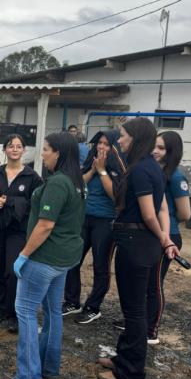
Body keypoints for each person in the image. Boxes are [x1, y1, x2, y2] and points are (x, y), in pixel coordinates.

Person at [96, 117, 179, 379]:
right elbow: (162, 208)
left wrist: (163, 238)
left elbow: (149, 213)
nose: (119, 141)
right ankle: (123, 357)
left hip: (136, 242)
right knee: (134, 307)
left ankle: (131, 372)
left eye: (123, 136)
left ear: (136, 138)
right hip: (140, 242)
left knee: (134, 311)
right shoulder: (150, 167)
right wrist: (164, 238)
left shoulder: (142, 170)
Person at [1, 132, 85, 379]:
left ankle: (27, 376)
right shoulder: (76, 181)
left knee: (25, 310)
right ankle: (49, 366)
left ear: (58, 153)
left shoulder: (58, 183)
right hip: (63, 258)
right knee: (52, 311)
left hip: (45, 258)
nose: (43, 153)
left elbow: (46, 224)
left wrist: (24, 254)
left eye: (47, 149)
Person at [0, 134, 42, 332]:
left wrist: (10, 201)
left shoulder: (32, 177)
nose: (15, 149)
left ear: (24, 150)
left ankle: (13, 313)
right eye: (11, 146)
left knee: (12, 270)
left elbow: (36, 204)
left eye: (18, 146)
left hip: (17, 230)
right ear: (5, 150)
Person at [63, 130, 124, 324]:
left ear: (114, 147)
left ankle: (93, 306)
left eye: (106, 144)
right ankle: (72, 301)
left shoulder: (119, 168)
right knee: (72, 260)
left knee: (100, 265)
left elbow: (115, 195)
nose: (101, 147)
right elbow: (79, 185)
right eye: (99, 143)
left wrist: (103, 171)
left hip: (105, 222)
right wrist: (94, 169)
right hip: (83, 218)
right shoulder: (90, 161)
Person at [142, 131, 191, 344]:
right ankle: (139, 321)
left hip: (167, 236)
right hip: (151, 233)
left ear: (171, 152)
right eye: (154, 146)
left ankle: (151, 330)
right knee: (143, 282)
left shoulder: (176, 177)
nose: (155, 151)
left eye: (161, 148)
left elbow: (186, 214)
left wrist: (167, 221)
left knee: (154, 283)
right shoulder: (152, 171)